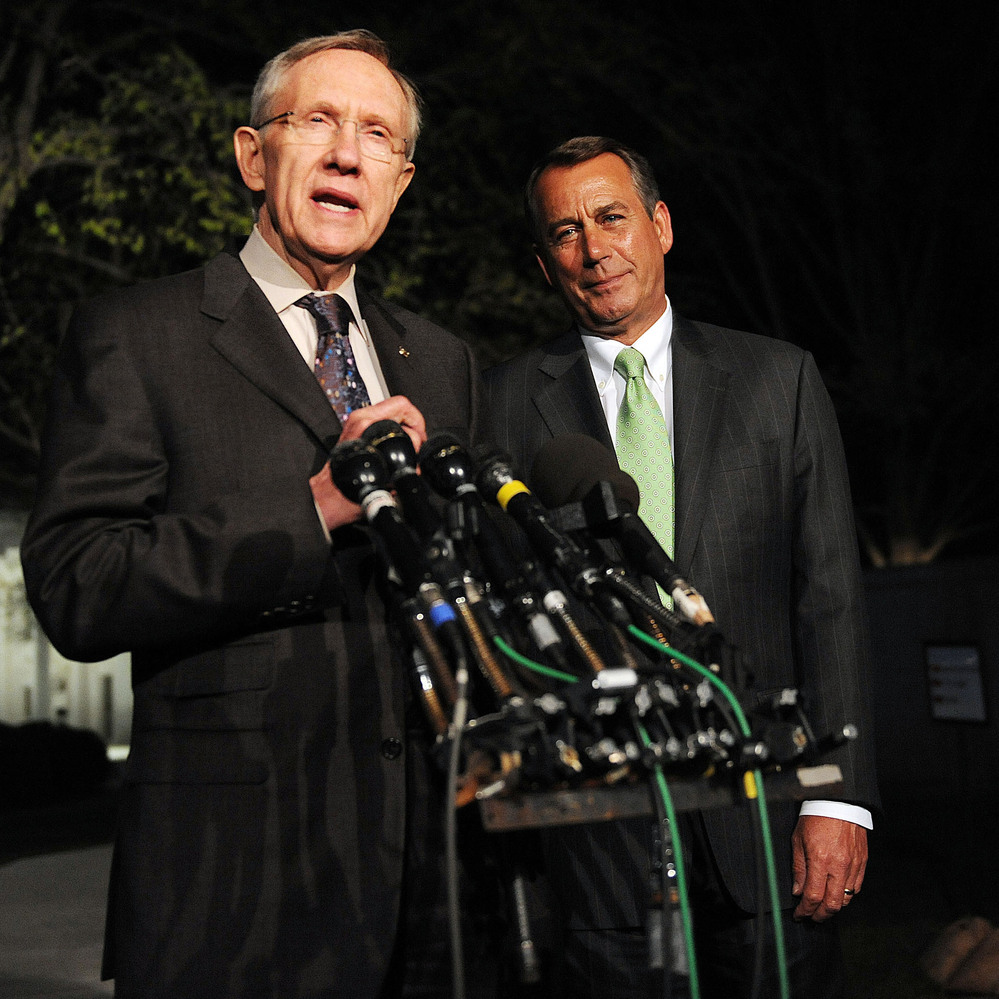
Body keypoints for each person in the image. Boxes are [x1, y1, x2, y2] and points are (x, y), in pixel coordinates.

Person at [21, 31, 494, 999]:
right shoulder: (137, 335)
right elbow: (76, 582)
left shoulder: (442, 364)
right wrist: (313, 511)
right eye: (316, 120)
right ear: (251, 154)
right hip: (226, 900)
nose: (346, 153)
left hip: (431, 897)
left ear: (399, 184)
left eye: (375, 136)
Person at [483, 136, 879, 998]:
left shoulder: (779, 380)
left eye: (611, 217)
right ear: (544, 262)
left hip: (773, 829)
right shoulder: (502, 404)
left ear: (660, 225)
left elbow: (830, 601)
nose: (593, 249)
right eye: (563, 232)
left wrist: (837, 799)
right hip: (601, 850)